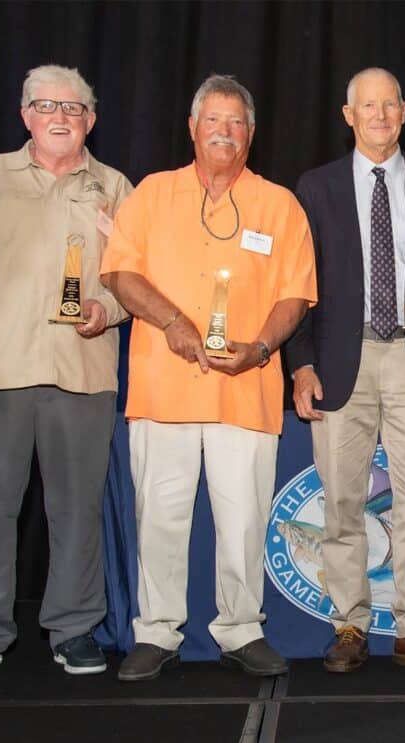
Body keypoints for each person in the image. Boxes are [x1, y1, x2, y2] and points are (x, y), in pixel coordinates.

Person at [100, 74, 316, 681]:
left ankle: (241, 628)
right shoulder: (152, 193)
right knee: (160, 515)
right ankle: (157, 631)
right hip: (162, 386)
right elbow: (119, 271)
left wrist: (262, 347)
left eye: (236, 122)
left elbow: (295, 295)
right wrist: (171, 321)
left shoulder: (279, 204)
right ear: (193, 129)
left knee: (244, 517)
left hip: (245, 388)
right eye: (213, 120)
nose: (224, 131)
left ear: (251, 134)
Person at [0, 65, 133, 680]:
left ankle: (74, 629)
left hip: (83, 374)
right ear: (26, 116)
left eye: (73, 108)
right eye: (46, 106)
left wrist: (110, 307)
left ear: (91, 120)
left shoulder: (116, 188)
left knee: (77, 511)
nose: (60, 117)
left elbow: (135, 281)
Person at [285, 67, 405, 674]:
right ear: (348, 116)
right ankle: (350, 624)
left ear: (404, 110)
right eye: (368, 106)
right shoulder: (313, 190)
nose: (380, 115)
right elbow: (297, 285)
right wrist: (302, 363)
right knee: (342, 499)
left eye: (390, 105)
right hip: (342, 362)